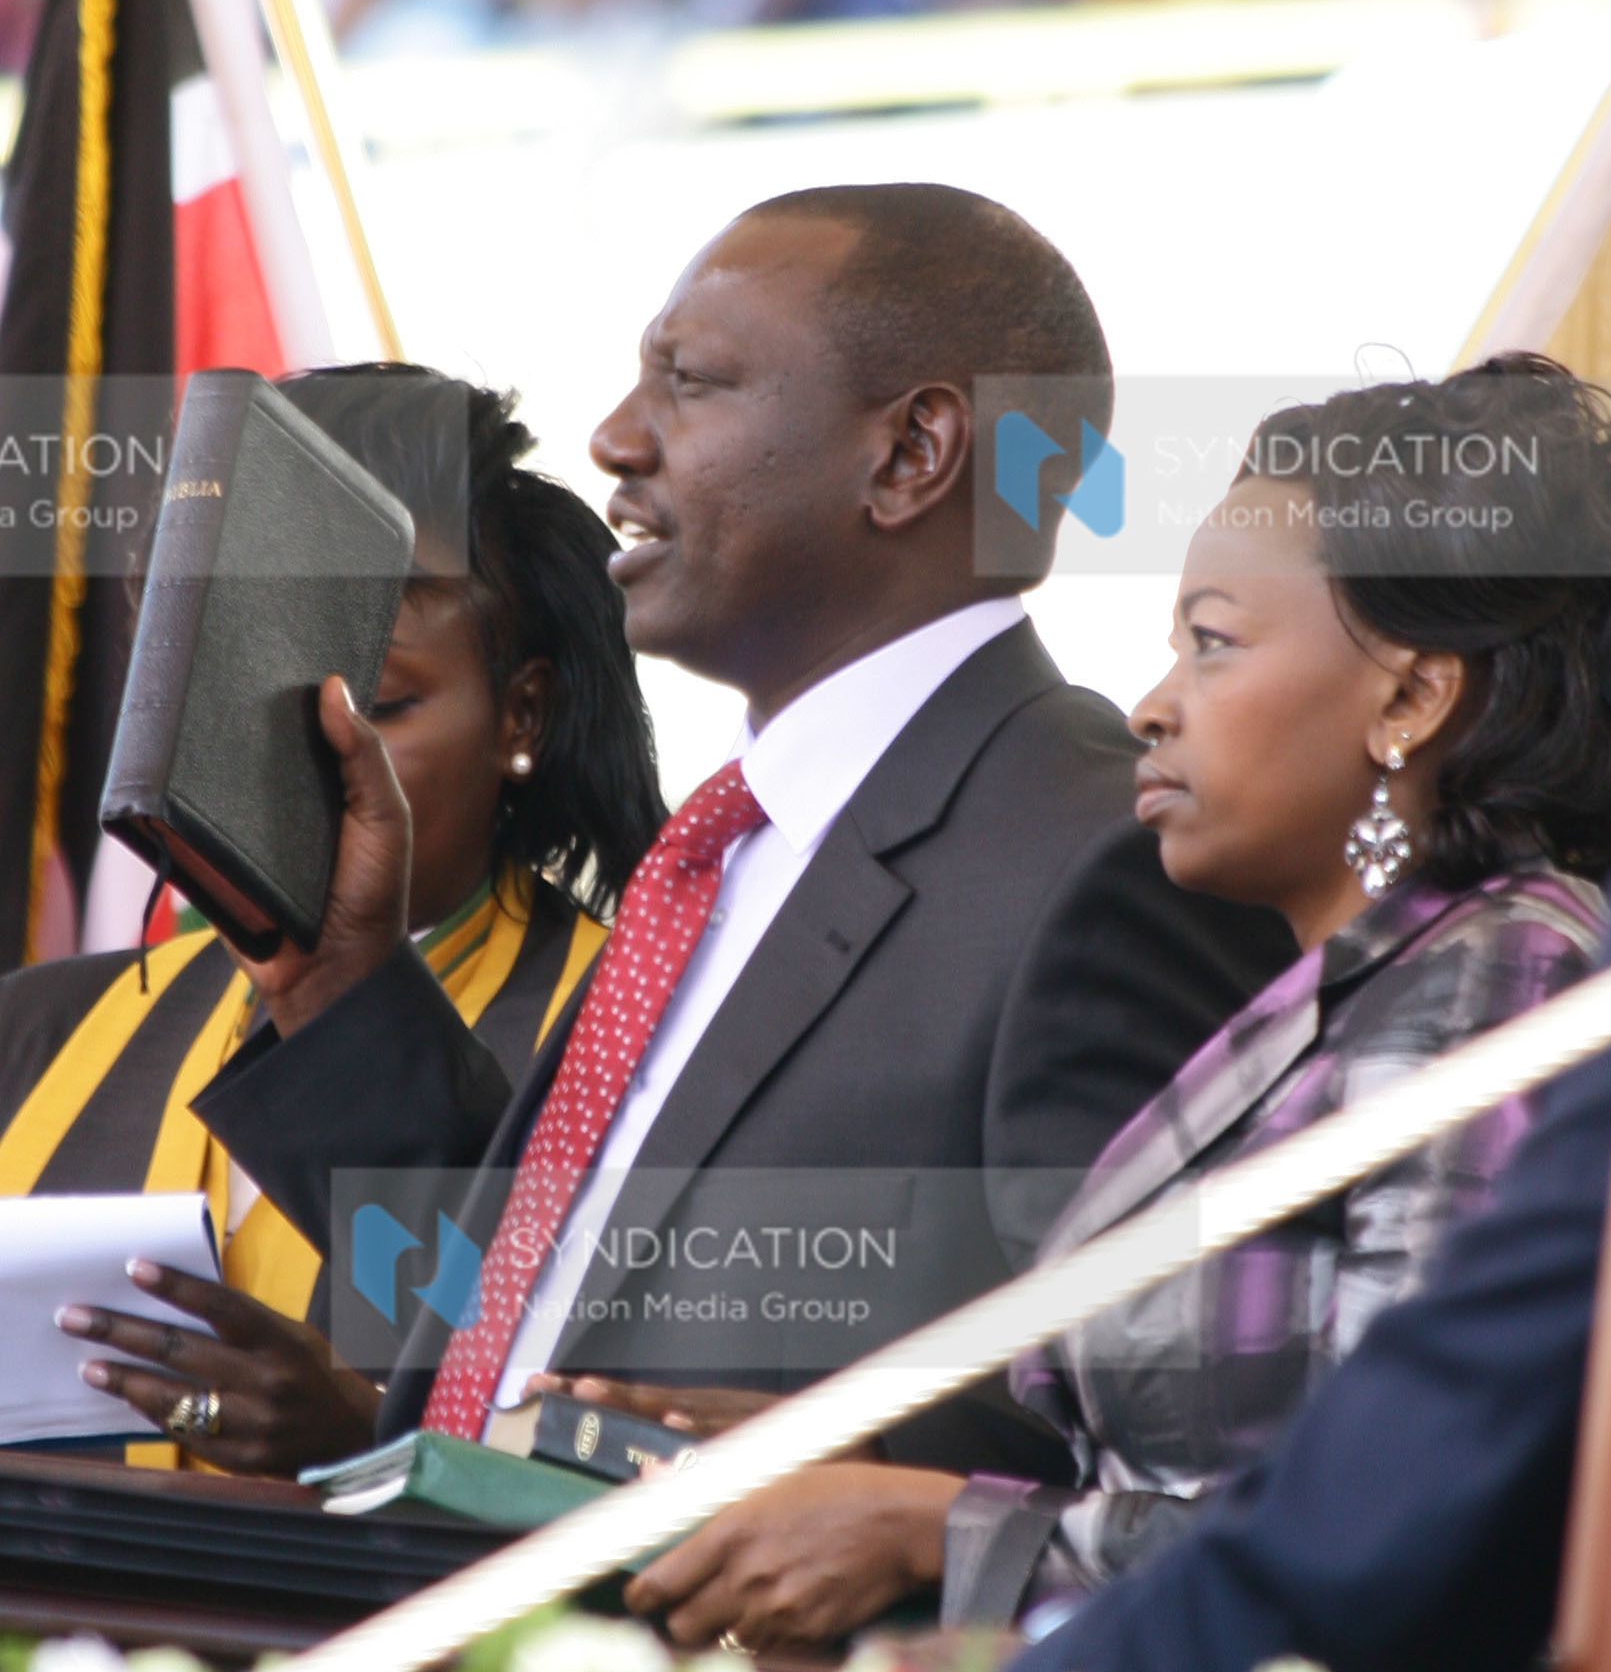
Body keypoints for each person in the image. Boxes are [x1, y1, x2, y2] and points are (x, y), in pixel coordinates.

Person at [67, 183, 1293, 1479]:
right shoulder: (723, 849)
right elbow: (535, 1307)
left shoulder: (1108, 863)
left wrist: (837, 1481)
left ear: (910, 455)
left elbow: (1183, 1453)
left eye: (688, 380)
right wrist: (341, 985)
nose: (611, 438)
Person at [602, 356, 1611, 1652]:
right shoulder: (1350, 987)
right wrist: (851, 1463)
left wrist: (924, 1525)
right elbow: (1180, 1481)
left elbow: (1410, 1525)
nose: (1151, 706)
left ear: (1407, 696)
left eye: (1212, 646)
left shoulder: (1495, 988)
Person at [33, 364, 664, 1467]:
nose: (310, 753)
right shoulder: (37, 1034)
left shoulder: (644, 1035)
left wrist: (379, 1439)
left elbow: (651, 1443)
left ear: (522, 711)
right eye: (233, 700)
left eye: (375, 707)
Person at [998, 864, 1611, 1672]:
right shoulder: (1348, 977)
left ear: (1407, 718)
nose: (1151, 718)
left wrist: (985, 1590)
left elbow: (1417, 1485)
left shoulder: (1489, 968)